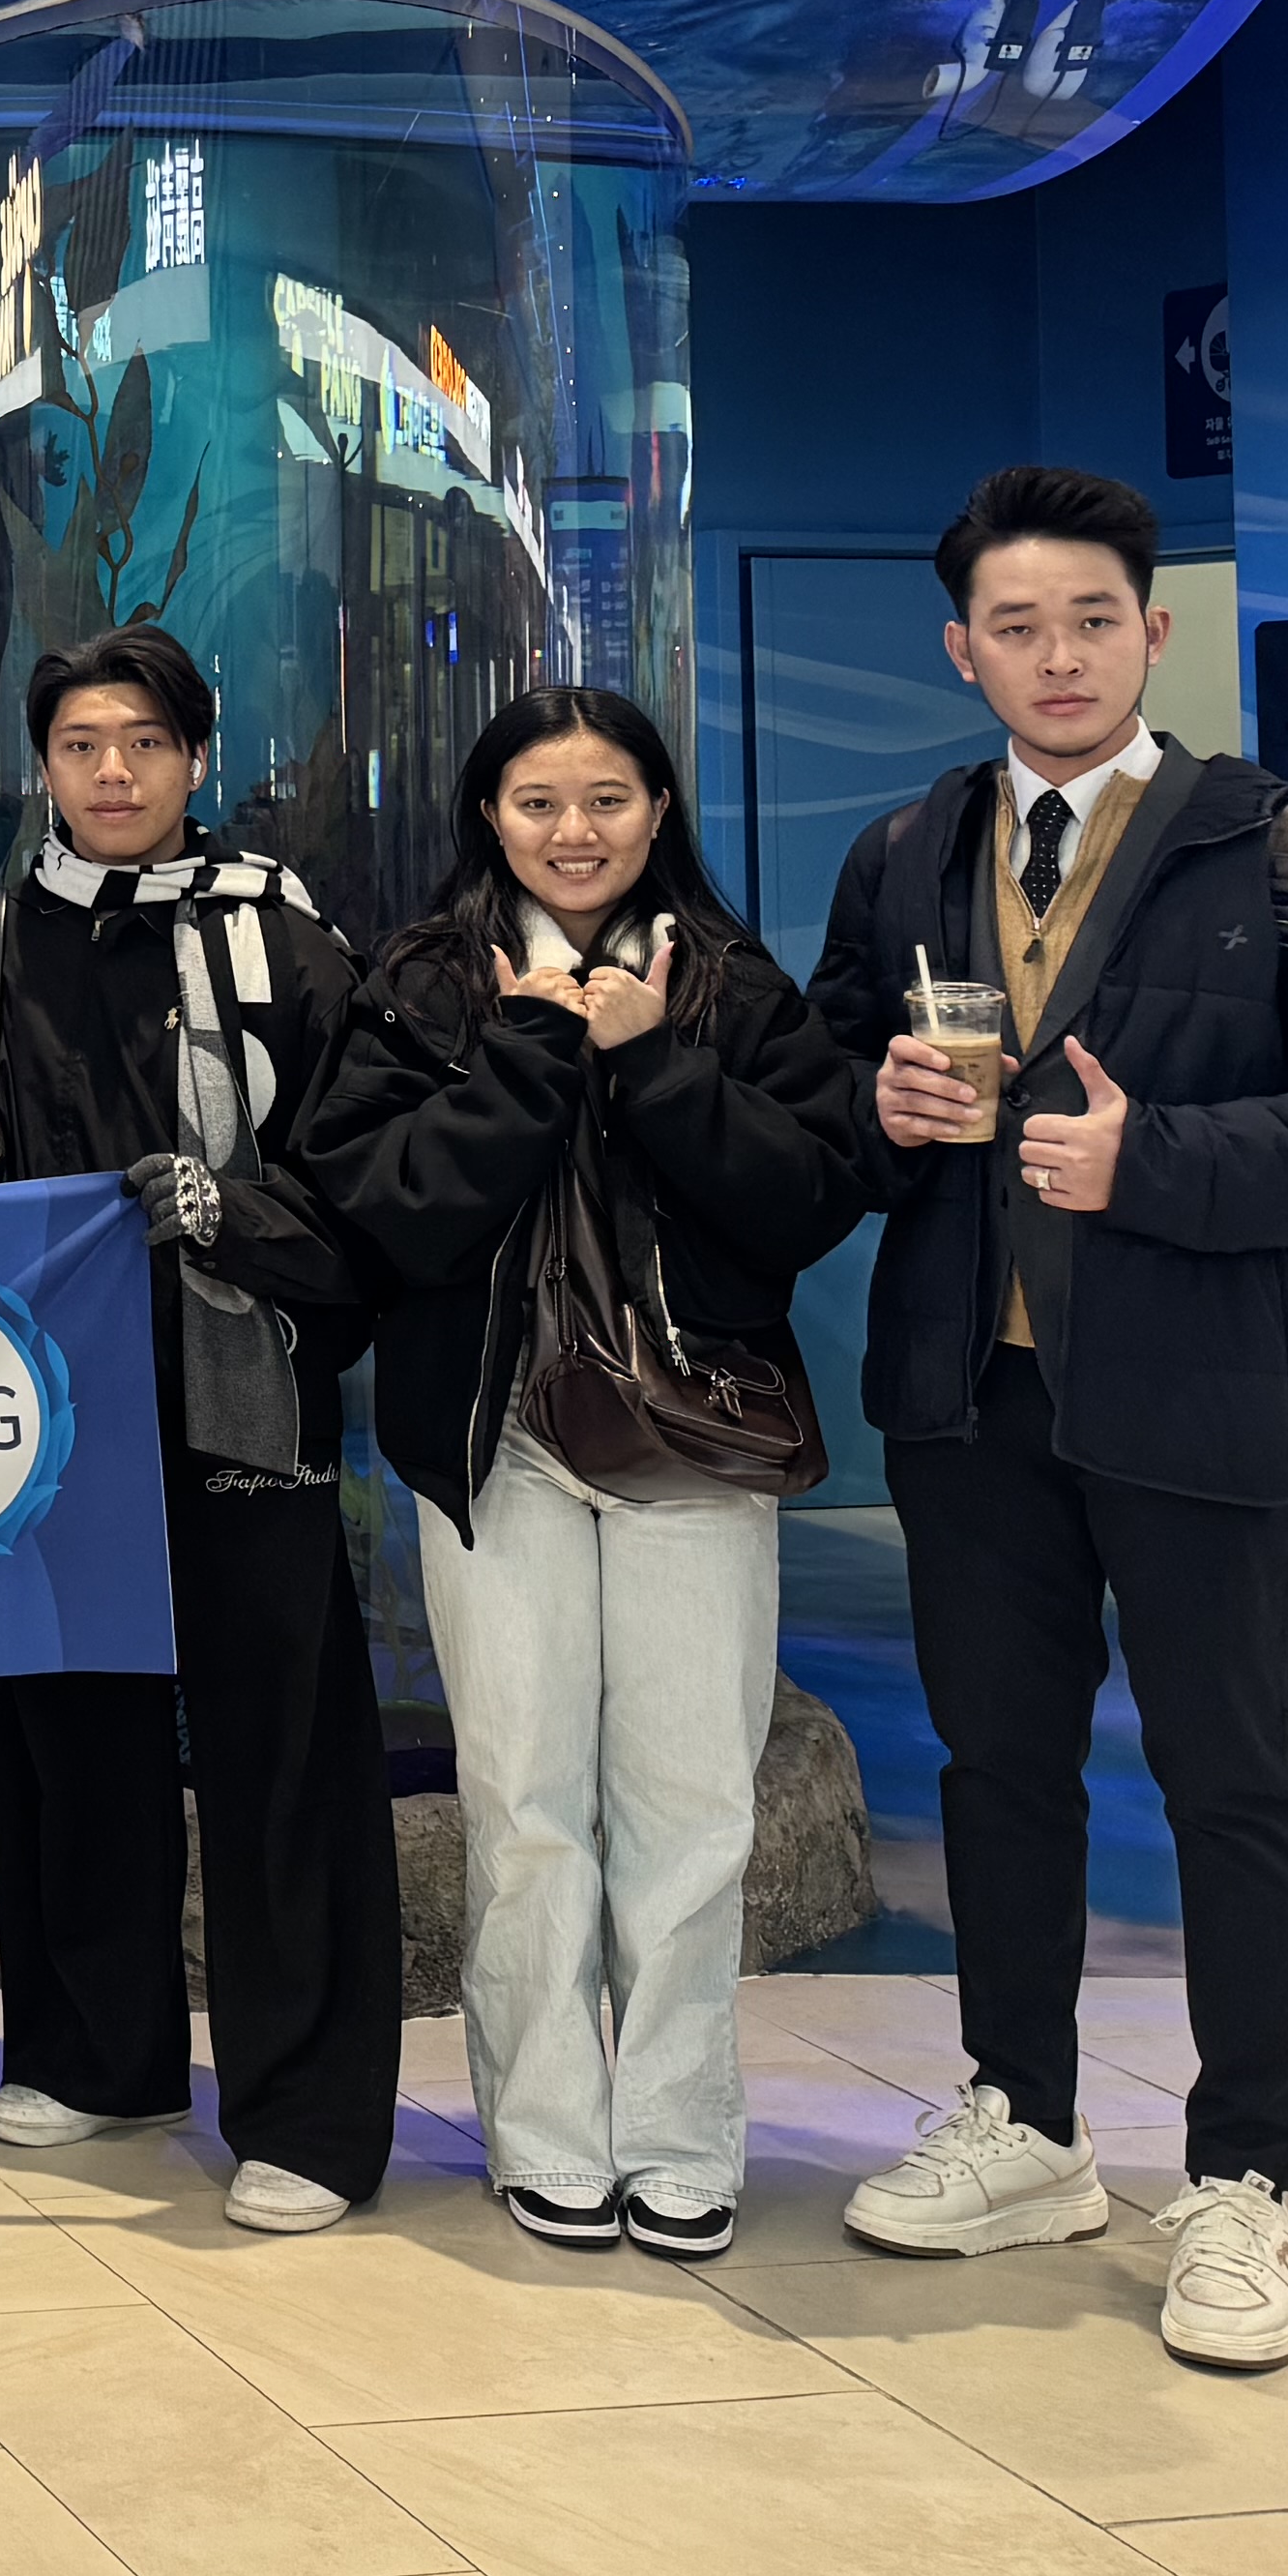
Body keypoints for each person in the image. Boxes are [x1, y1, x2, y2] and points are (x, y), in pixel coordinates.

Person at [805, 465, 1288, 2372]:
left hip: (1212, 1395)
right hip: (972, 1391)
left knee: (1228, 1777)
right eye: (1017, 627)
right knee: (999, 1767)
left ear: (1152, 633)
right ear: (963, 651)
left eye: (1093, 620)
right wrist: (877, 1109)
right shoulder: (905, 850)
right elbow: (827, 1073)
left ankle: (1244, 2181)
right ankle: (1023, 2121)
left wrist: (1156, 1159)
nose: (1059, 657)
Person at [0, 623, 400, 2233]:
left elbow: (365, 1163)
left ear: (196, 761)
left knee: (279, 1743)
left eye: (146, 743)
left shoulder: (283, 943)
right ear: (42, 763)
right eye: (82, 744)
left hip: (243, 1389)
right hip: (48, 1407)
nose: (113, 772)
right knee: (69, 1726)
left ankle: (306, 2119)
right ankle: (101, 2058)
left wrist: (237, 1216)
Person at [300, 692, 862, 2261]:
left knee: (693, 1804)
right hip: (498, 1446)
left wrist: (656, 1061)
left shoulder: (732, 982)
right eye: (538, 801)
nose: (574, 830)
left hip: (697, 1438)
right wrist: (535, 1052)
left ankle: (678, 2137)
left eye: (608, 798)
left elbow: (812, 1198)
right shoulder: (421, 981)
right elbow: (386, 1207)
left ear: (660, 808)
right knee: (525, 1798)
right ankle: (545, 2131)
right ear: (488, 815)